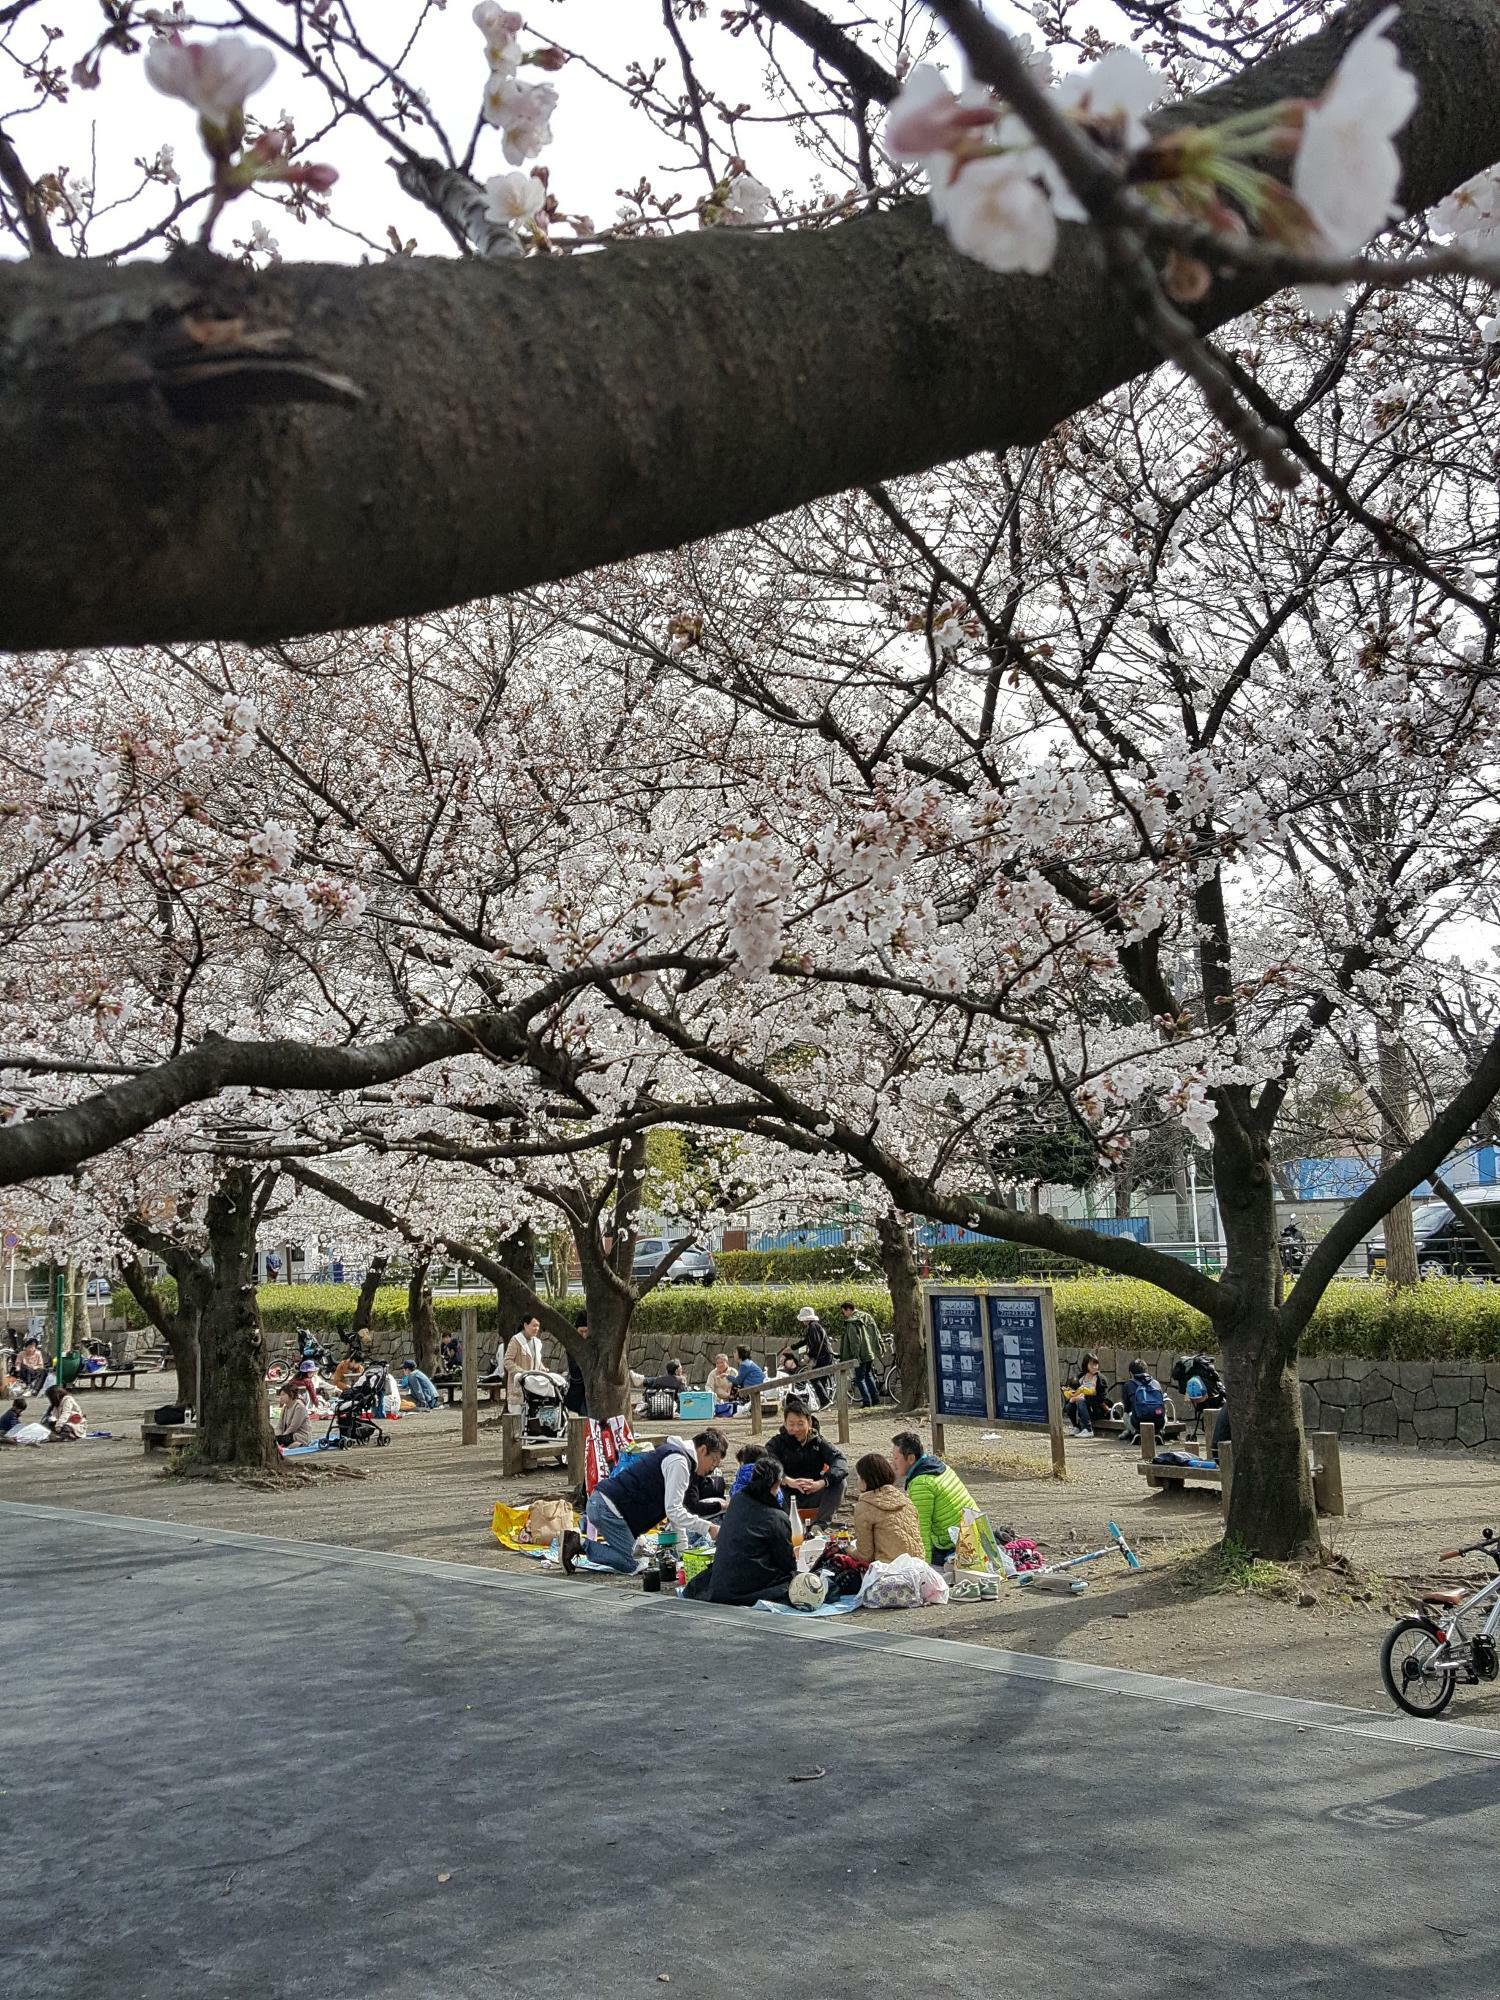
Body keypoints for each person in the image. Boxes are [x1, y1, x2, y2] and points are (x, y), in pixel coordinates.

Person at [562, 1430, 727, 1575]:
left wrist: (684, 1555)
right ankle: (579, 1543)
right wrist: (708, 1527)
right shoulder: (679, 1463)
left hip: (606, 1505)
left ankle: (579, 1543)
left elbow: (674, 1514)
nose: (712, 1469)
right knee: (634, 1564)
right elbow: (674, 1511)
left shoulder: (678, 1458)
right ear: (703, 1449)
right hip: (608, 1508)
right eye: (713, 1461)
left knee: (642, 1558)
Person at [700, 1455, 798, 1606]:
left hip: (719, 1586)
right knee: (797, 1581)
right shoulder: (777, 1517)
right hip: (747, 1588)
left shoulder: (738, 1500)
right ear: (777, 1483)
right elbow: (787, 1564)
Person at [890, 1430, 983, 1568]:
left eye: (896, 1458)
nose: (893, 1462)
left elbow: (922, 1529)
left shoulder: (921, 1484)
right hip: (976, 1532)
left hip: (957, 1544)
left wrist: (924, 1567)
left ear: (910, 1459)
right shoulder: (937, 1466)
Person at [768, 1394, 847, 1528]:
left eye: (800, 1424)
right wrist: (788, 1481)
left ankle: (820, 1525)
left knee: (840, 1483)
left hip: (813, 1492)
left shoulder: (818, 1442)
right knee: (770, 1484)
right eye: (791, 1424)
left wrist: (821, 1483)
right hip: (787, 1494)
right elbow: (768, 1462)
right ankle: (788, 1526)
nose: (796, 1429)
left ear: (809, 1423)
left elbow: (840, 1460)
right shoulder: (776, 1443)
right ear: (785, 1424)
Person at [851, 1451, 925, 1563]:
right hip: (919, 1566)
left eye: (859, 1477)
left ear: (865, 1480)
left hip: (889, 1570)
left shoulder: (864, 1506)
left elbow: (865, 1555)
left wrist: (847, 1549)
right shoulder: (905, 1500)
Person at [499, 1314, 551, 1414]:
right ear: (525, 1325)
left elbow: (536, 1361)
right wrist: (522, 1373)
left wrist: (542, 1368)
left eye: (538, 1326)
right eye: (534, 1325)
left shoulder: (537, 1342)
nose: (536, 1328)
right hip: (518, 1389)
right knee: (519, 1419)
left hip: (534, 1388)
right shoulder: (516, 1341)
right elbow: (507, 1361)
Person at [838, 1299, 883, 1408]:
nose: (844, 1315)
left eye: (843, 1312)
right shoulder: (867, 1316)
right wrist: (879, 1347)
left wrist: (855, 1355)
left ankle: (867, 1401)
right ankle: (875, 1399)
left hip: (861, 1354)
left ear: (848, 1309)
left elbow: (854, 1341)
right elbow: (876, 1333)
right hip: (870, 1352)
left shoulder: (852, 1322)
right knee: (868, 1374)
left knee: (860, 1378)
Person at [1118, 1358, 1167, 1446]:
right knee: (1164, 1410)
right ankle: (1159, 1431)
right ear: (1146, 1371)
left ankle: (1135, 1432)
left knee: (1125, 1414)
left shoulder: (1128, 1385)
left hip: (1137, 1423)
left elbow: (1127, 1409)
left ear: (1131, 1373)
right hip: (1159, 1422)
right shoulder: (1156, 1383)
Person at [1063, 1352, 1109, 1436]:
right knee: (1070, 1404)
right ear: (1086, 1365)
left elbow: (1101, 1398)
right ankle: (1076, 1427)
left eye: (1096, 1364)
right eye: (1092, 1365)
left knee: (1081, 1400)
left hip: (1096, 1409)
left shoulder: (1101, 1379)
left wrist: (1084, 1398)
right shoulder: (1080, 1377)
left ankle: (1088, 1429)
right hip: (1081, 1408)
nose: (1095, 1367)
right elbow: (1074, 1392)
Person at [275, 1382, 315, 1449]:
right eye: (280, 1395)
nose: (280, 1397)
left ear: (291, 1394)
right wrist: (277, 1435)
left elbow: (293, 1427)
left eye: (283, 1395)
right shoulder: (285, 1408)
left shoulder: (299, 1407)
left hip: (299, 1435)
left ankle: (297, 1445)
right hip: (288, 1434)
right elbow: (280, 1425)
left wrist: (282, 1437)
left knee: (281, 1441)